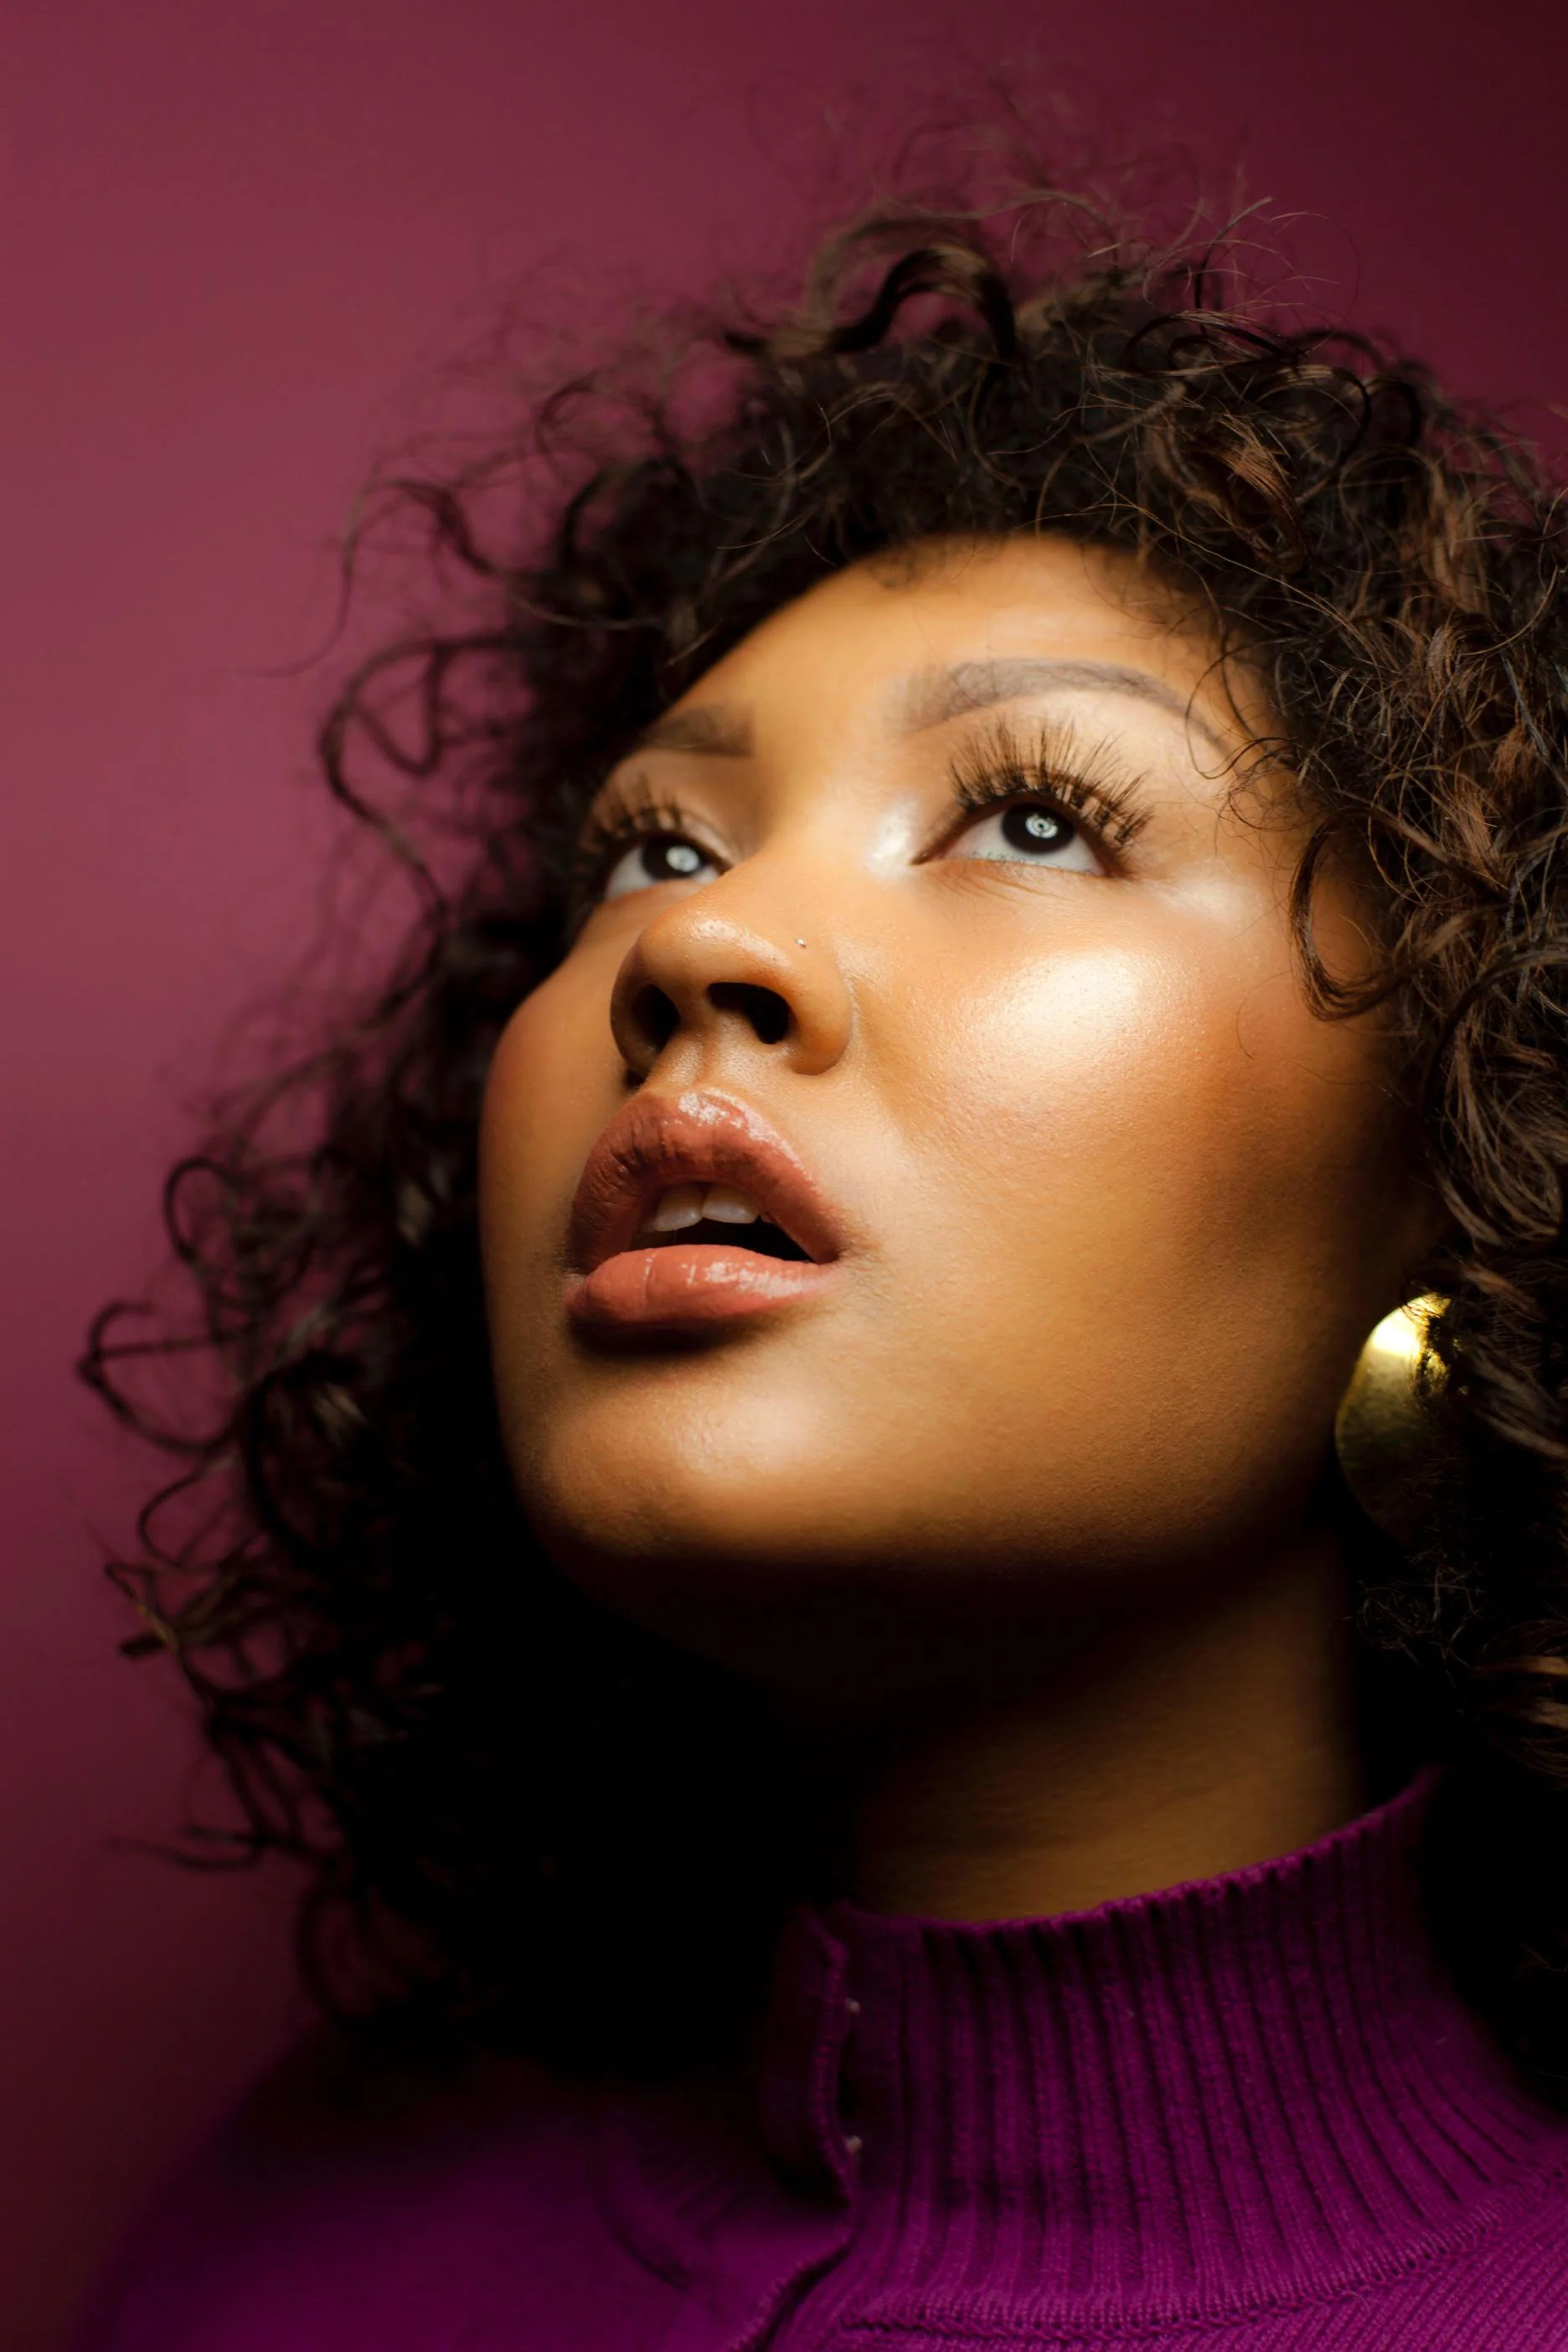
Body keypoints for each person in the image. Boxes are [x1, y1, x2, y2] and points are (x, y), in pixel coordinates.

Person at [75, 158, 1568, 2349]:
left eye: (1036, 817)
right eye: (650, 849)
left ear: (1479, 1139)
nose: (698, 944)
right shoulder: (279, 2250)